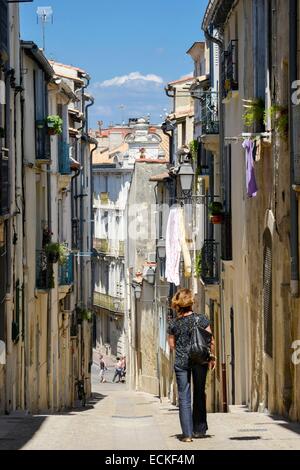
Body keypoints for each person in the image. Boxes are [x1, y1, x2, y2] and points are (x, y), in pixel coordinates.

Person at [168, 288, 216, 443]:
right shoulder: (202, 319)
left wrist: (183, 347)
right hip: (200, 360)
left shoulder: (174, 324)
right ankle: (199, 429)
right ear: (191, 303)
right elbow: (210, 340)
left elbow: (171, 344)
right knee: (199, 393)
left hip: (182, 362)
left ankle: (187, 434)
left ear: (178, 305)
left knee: (184, 397)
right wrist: (212, 357)